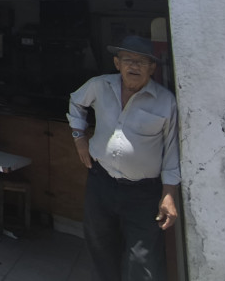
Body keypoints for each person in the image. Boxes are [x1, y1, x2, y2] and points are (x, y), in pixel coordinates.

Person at [67, 35, 180, 281]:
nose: (134, 66)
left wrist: (169, 193)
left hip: (143, 193)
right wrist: (79, 138)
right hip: (101, 182)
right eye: (128, 60)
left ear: (152, 68)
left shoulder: (165, 102)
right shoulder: (99, 86)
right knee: (100, 244)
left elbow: (172, 149)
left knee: (142, 259)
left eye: (142, 62)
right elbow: (76, 102)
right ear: (117, 63)